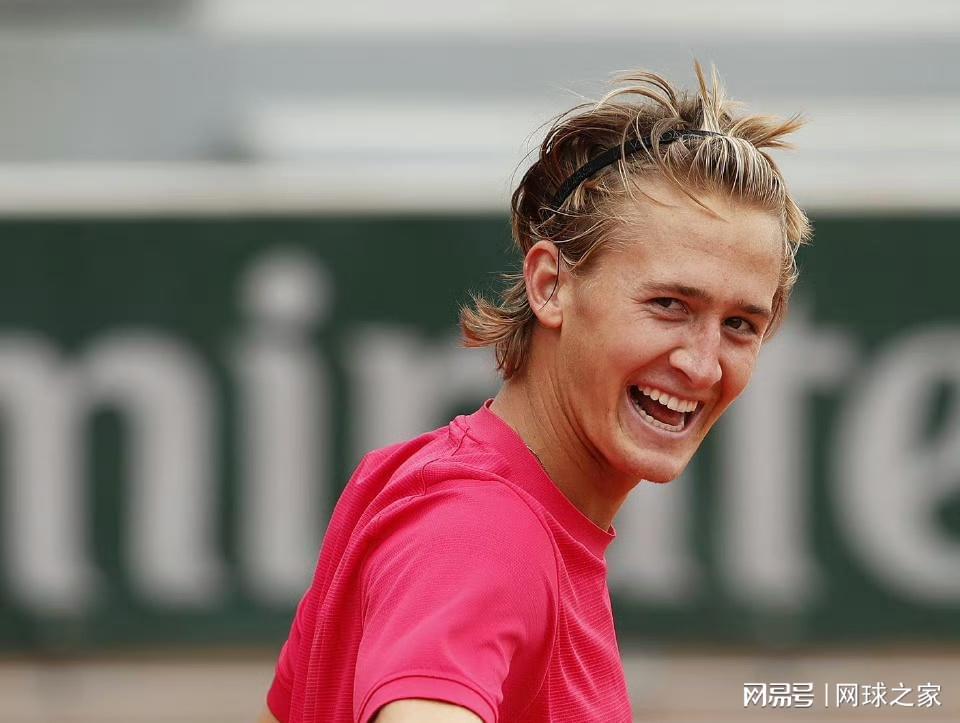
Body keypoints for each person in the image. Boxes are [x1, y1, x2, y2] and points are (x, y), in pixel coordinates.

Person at [257, 62, 811, 723]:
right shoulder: (483, 528)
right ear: (550, 285)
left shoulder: (423, 481)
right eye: (668, 304)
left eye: (740, 324)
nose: (702, 365)